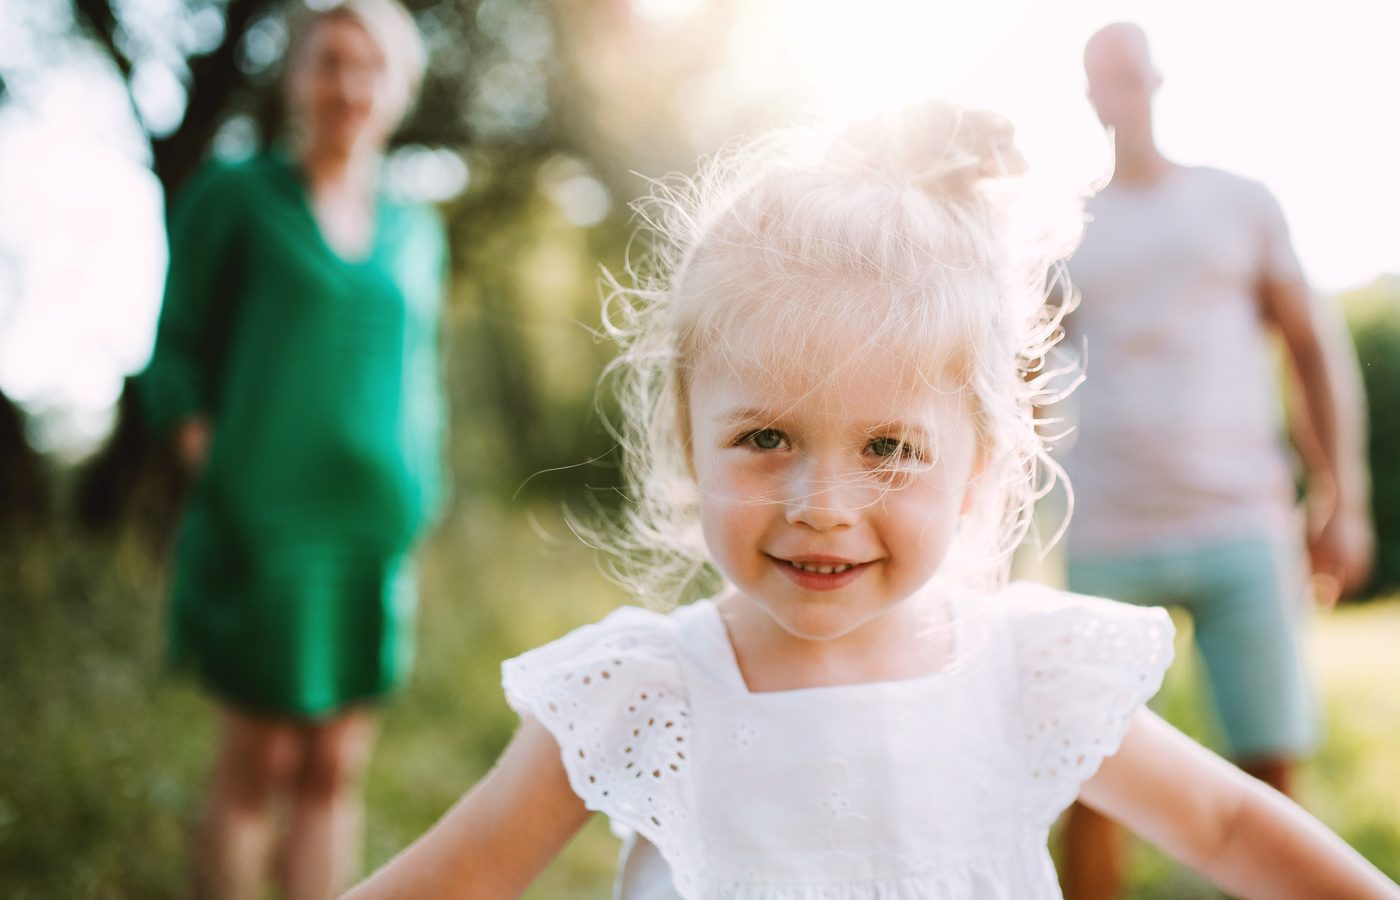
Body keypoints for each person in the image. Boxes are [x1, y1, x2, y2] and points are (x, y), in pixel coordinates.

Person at [345, 102, 1394, 899]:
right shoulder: (643, 693)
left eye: (888, 449)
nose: (822, 504)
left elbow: (1226, 827)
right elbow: (453, 881)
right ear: (687, 436)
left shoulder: (1025, 673)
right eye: (765, 438)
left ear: (978, 464)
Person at [1056, 22, 1375, 900]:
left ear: (1156, 78)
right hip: (1108, 532)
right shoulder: (1065, 227)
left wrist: (1343, 496)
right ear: (1087, 95)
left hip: (1241, 520)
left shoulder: (1237, 202)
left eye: (1129, 70)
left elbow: (1310, 348)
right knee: (1087, 773)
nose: (1118, 88)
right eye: (1101, 76)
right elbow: (1012, 376)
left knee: (1270, 768)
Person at [137, 2, 446, 898]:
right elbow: (176, 355)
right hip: (263, 523)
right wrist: (218, 466)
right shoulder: (235, 196)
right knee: (258, 763)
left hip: (370, 534)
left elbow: (422, 376)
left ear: (398, 88)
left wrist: (422, 492)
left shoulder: (417, 228)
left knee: (335, 767)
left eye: (369, 66)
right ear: (296, 77)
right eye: (329, 61)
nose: (348, 85)